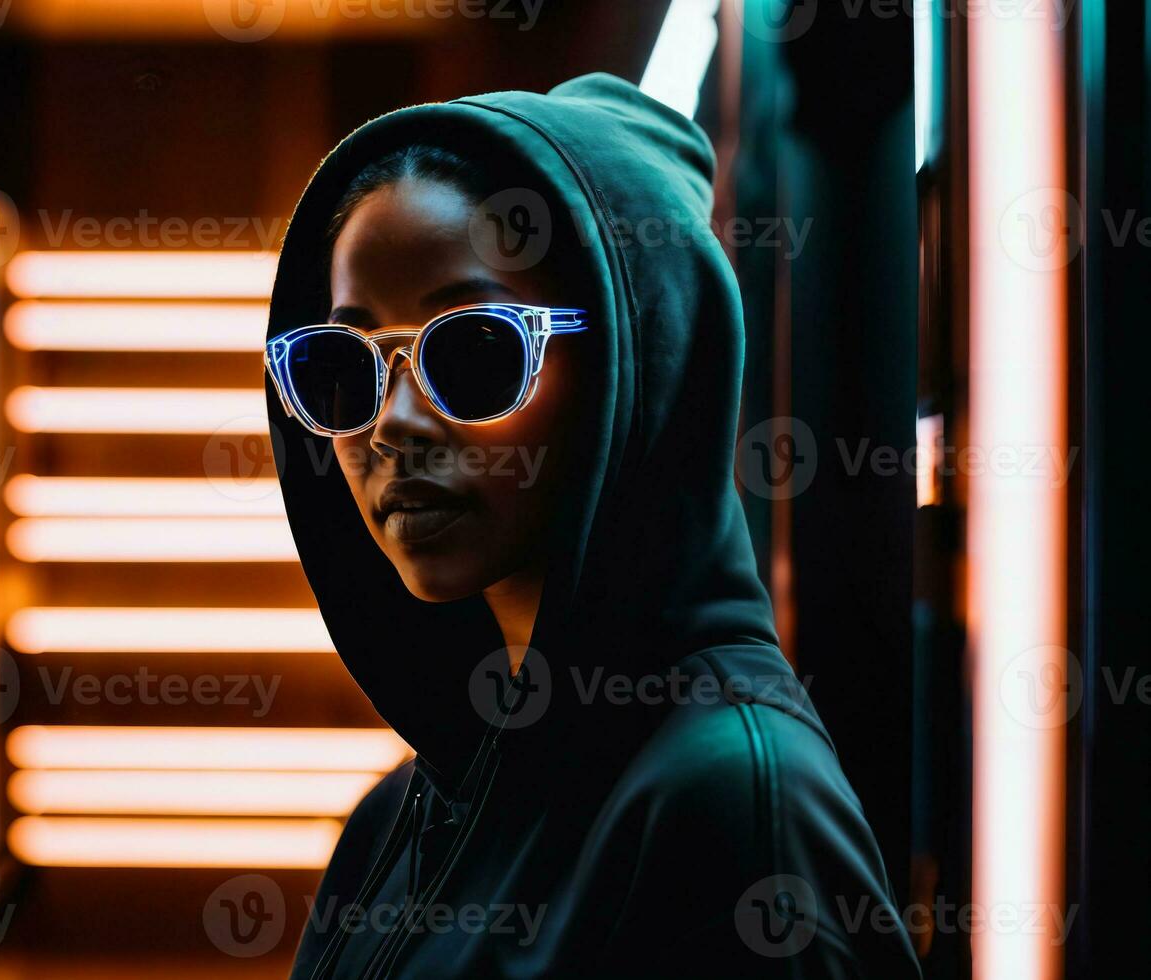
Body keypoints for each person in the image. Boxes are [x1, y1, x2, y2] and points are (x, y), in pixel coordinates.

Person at [264, 73, 921, 979]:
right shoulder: (405, 817)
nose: (393, 422)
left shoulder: (732, 805)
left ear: (635, 372)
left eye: (476, 350)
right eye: (344, 365)